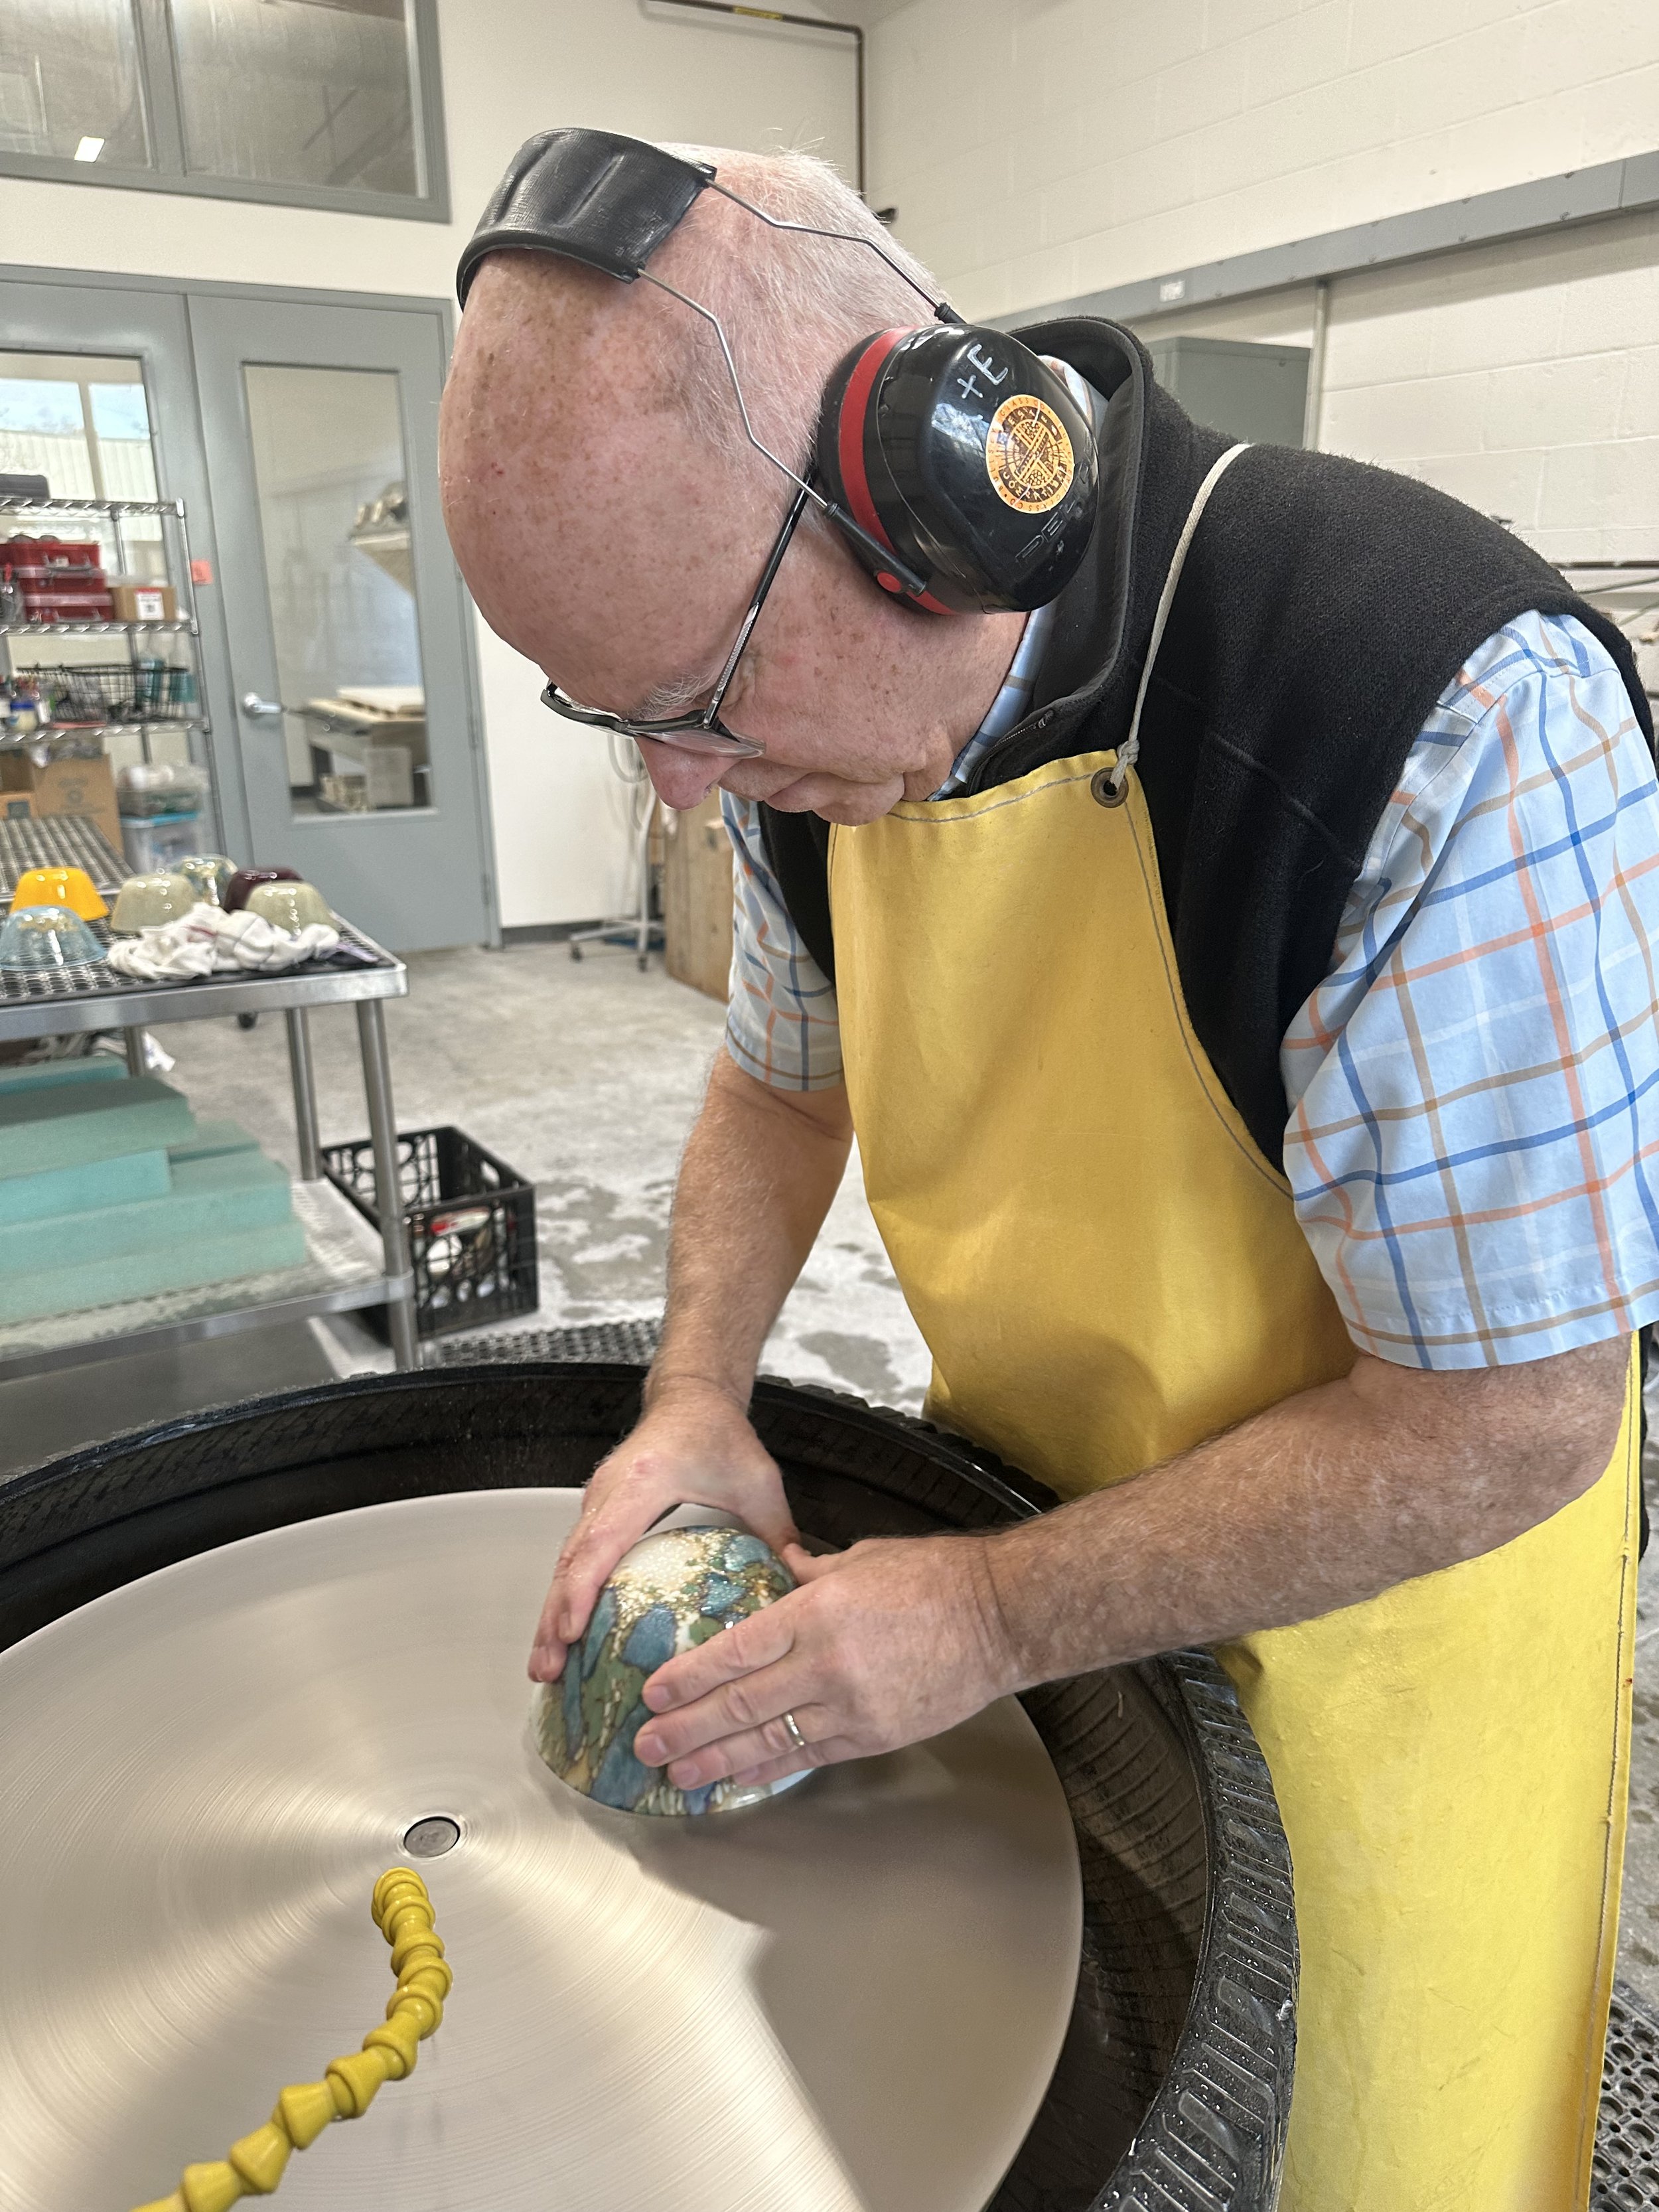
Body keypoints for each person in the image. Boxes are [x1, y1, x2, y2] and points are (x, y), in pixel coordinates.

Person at [439, 131, 1658, 2211]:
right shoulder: (798, 747)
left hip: (1379, 1650)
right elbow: (778, 1079)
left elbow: (1510, 1419)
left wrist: (997, 1611)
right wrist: (696, 1400)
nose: (676, 783)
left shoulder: (1432, 714)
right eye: (613, 719)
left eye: (701, 701)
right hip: (1013, 1558)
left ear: (927, 495)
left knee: (1351, 2142)